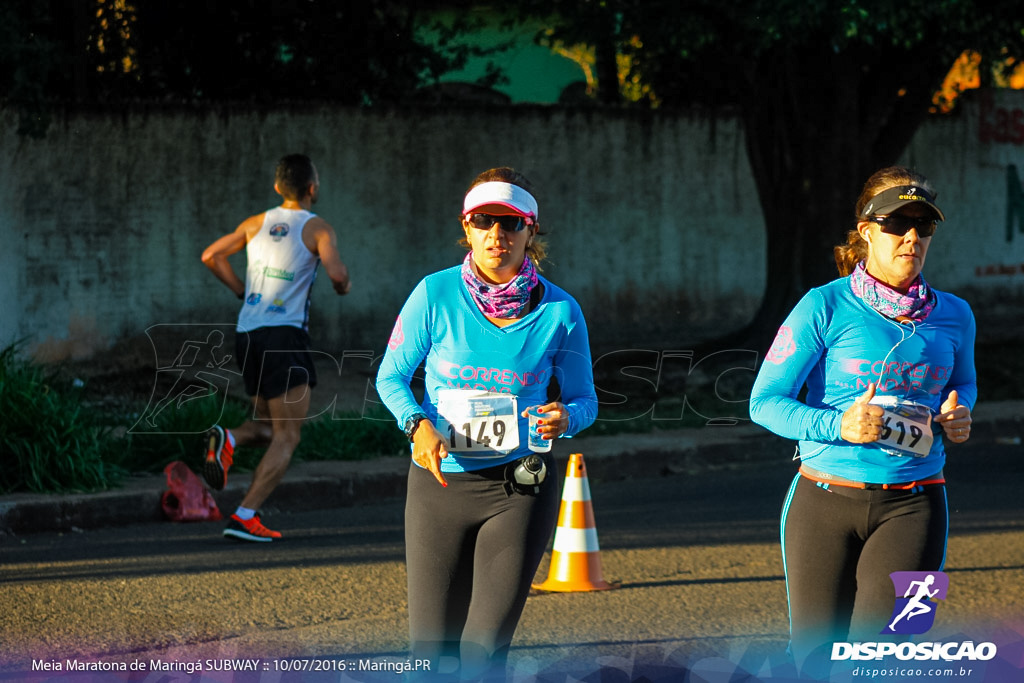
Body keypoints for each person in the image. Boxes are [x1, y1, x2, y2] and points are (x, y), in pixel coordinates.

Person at [749, 166, 976, 677]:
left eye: (924, 225)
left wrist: (960, 415)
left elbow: (966, 385)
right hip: (822, 503)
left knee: (889, 663)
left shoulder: (957, 314)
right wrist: (839, 427)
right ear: (867, 231)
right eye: (898, 223)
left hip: (917, 506)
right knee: (815, 665)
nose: (912, 237)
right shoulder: (823, 305)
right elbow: (763, 403)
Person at [376, 167, 598, 679]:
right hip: (439, 486)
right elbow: (391, 377)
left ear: (531, 232)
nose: (497, 235)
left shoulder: (561, 311)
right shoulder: (434, 295)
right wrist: (416, 424)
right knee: (431, 658)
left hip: (518, 489)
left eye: (510, 223)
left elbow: (586, 401)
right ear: (467, 228)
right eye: (484, 222)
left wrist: (565, 417)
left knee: (483, 655)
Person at [199, 153, 351, 542]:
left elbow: (211, 256)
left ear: (277, 187)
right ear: (312, 189)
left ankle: (228, 439)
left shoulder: (254, 223)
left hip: (248, 332)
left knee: (267, 427)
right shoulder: (318, 228)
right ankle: (245, 516)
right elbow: (337, 272)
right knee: (288, 436)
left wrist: (241, 291)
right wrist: (341, 285)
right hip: (285, 336)